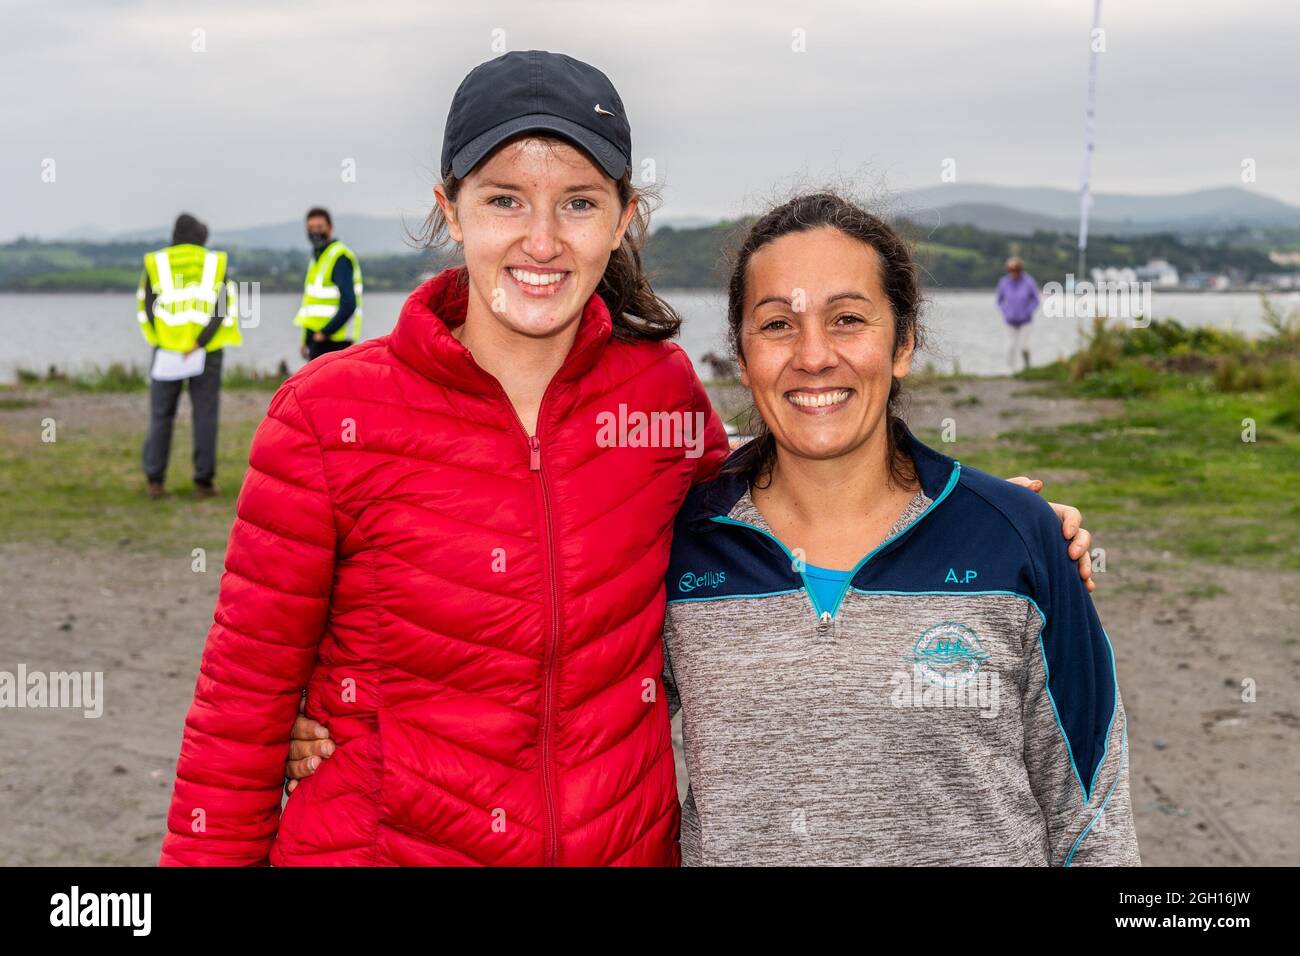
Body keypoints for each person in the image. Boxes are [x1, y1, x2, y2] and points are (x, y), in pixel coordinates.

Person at [161, 51, 1095, 867]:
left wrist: (971, 514)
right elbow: (237, 716)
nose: (540, 240)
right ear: (448, 209)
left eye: (577, 203)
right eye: (503, 201)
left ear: (623, 218)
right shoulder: (327, 417)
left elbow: (777, 500)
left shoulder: (655, 395)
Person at [660, 193, 1137, 865]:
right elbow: (586, 756)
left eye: (848, 319)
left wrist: (1009, 521)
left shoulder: (1018, 539)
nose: (814, 355)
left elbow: (1092, 820)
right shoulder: (678, 545)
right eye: (777, 325)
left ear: (904, 343)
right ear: (741, 356)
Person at [136, 213, 242, 499]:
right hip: (206, 351)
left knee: (161, 415)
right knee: (205, 415)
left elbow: (148, 305)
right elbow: (221, 307)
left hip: (167, 349)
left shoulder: (157, 263)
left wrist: (164, 340)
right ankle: (203, 482)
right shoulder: (214, 262)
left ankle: (155, 481)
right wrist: (199, 341)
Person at [294, 207, 363, 360]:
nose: (315, 232)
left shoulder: (339, 257)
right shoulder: (317, 259)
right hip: (318, 340)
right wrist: (306, 339)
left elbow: (349, 303)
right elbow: (311, 304)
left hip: (335, 341)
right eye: (311, 228)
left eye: (319, 227)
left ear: (330, 228)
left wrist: (324, 333)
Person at [995, 256, 1040, 372]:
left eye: (1016, 269)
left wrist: (1028, 311)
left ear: (1021, 269)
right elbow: (999, 301)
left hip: (1026, 320)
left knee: (1025, 347)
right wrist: (1005, 312)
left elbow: (1036, 300)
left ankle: (1028, 368)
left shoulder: (1029, 282)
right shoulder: (1004, 282)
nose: (1013, 272)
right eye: (1011, 270)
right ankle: (1010, 371)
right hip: (1010, 320)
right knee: (1009, 346)